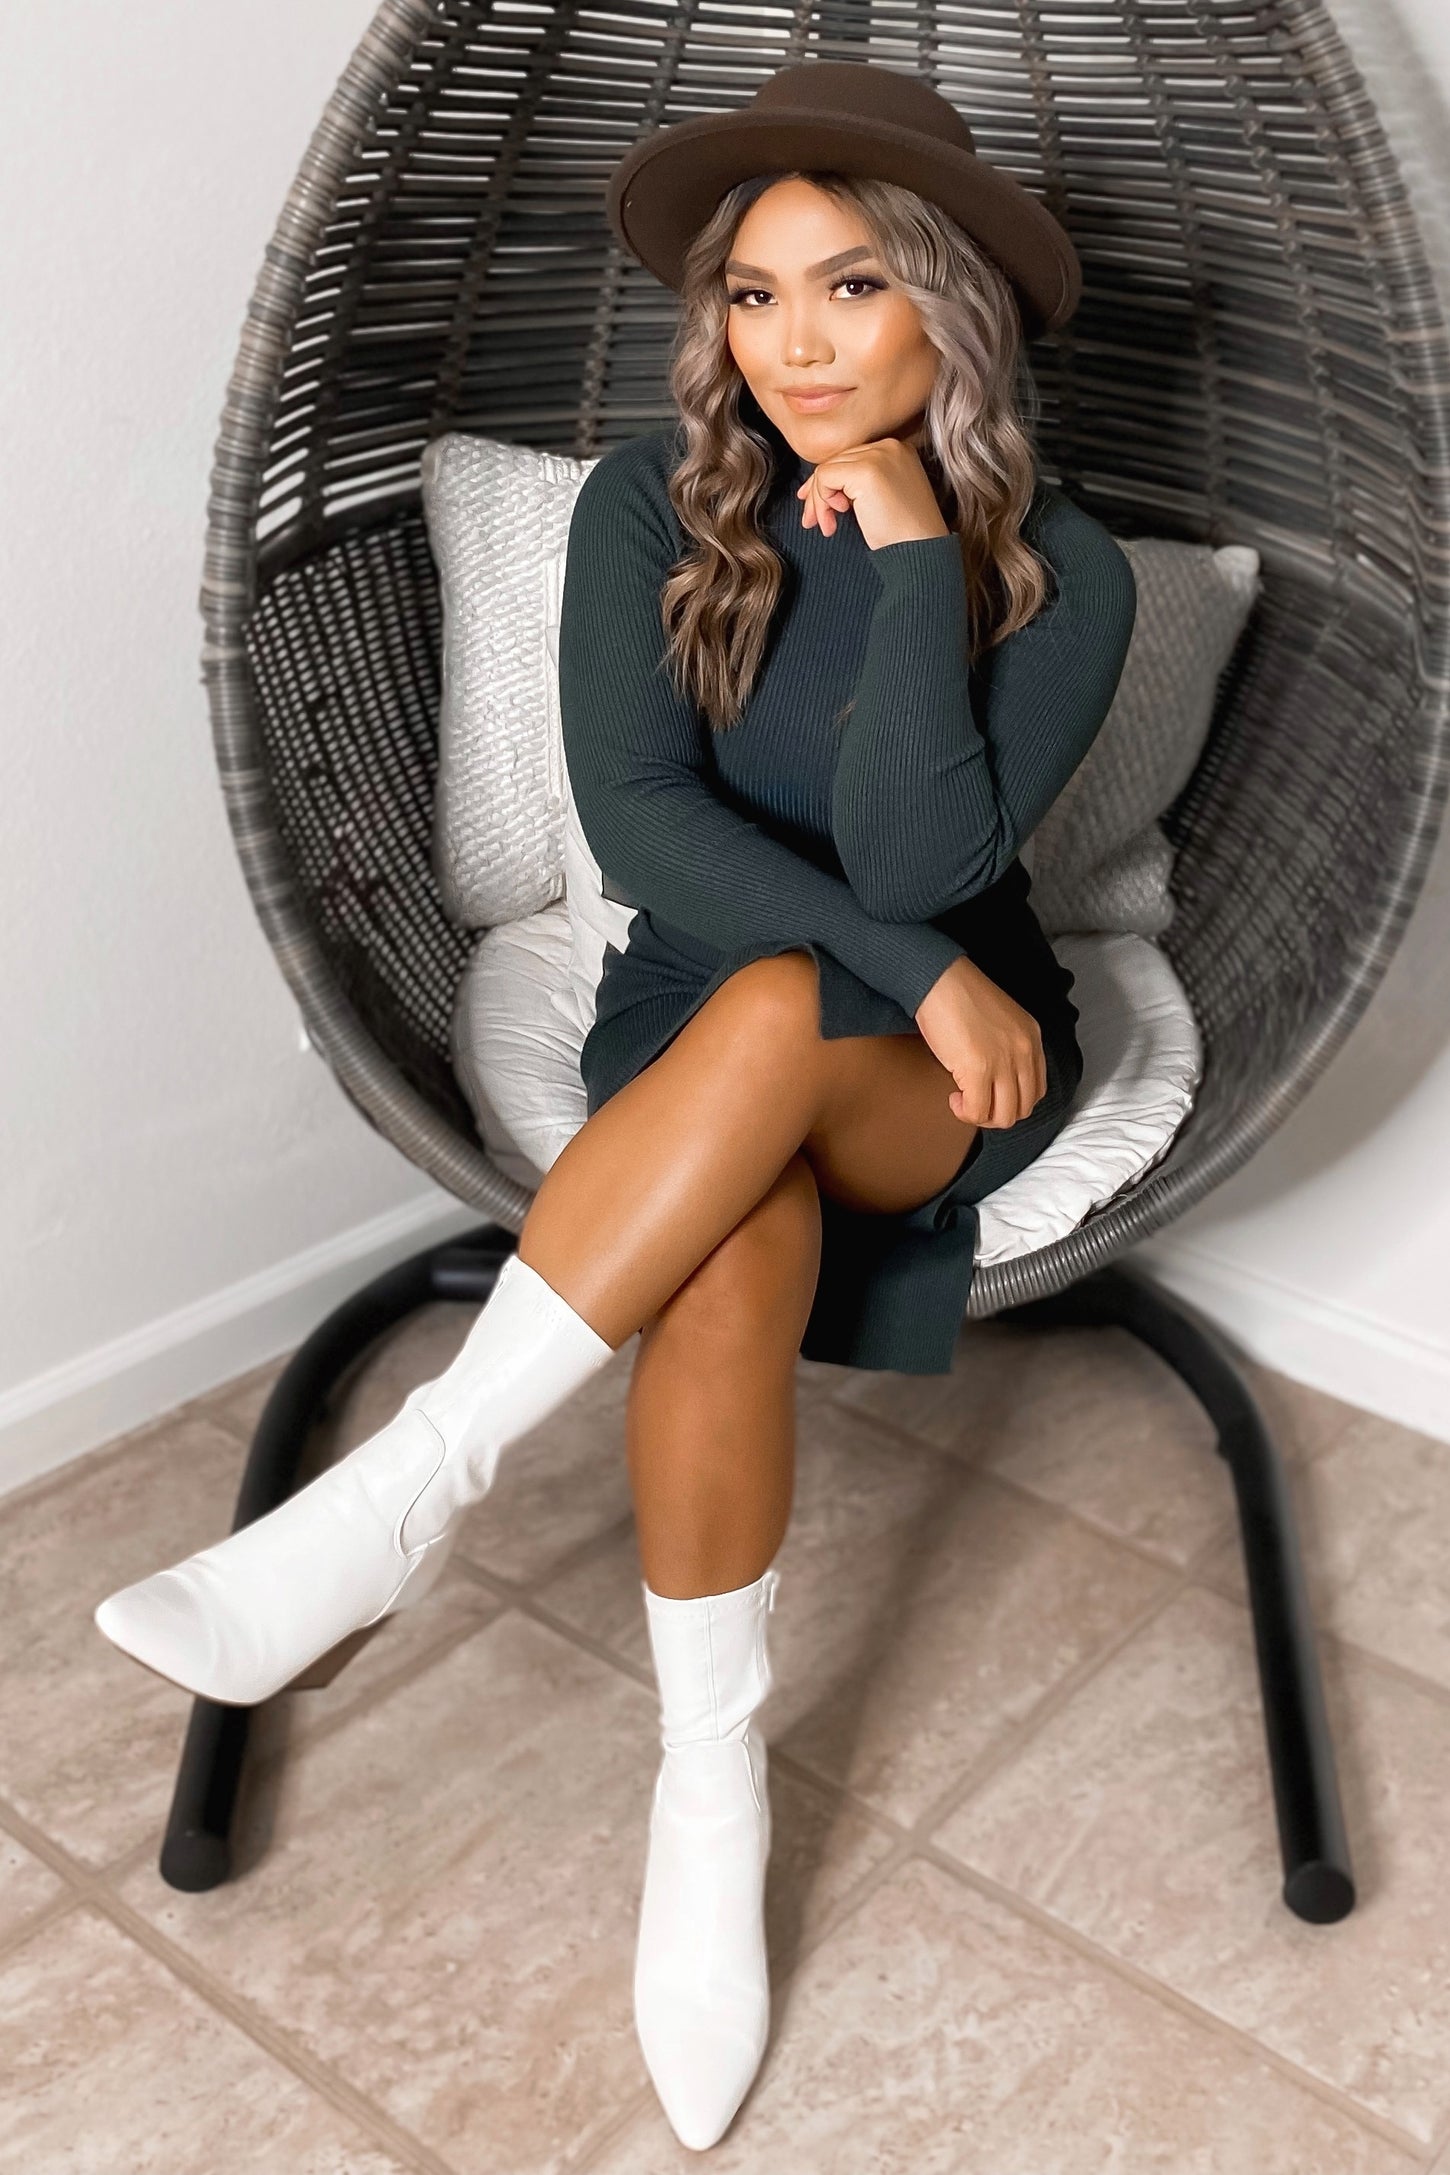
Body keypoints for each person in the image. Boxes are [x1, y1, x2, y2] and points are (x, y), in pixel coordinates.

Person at [93, 60, 1137, 2153]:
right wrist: (902, 952)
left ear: (948, 304)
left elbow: (924, 864)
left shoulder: (1067, 573)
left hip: (949, 1060)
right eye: (754, 296)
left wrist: (912, 563)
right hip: (705, 1008)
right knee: (731, 1215)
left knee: (786, 1012)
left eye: (851, 285)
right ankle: (706, 1786)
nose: (796, 344)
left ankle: (399, 1502)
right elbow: (644, 825)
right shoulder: (654, 507)